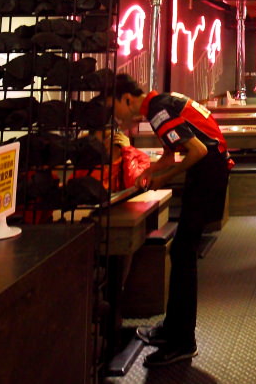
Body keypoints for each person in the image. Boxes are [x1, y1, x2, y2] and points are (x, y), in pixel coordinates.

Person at [108, 75, 231, 368]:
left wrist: (164, 179)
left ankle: (183, 341)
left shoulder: (157, 111)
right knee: (180, 253)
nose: (117, 117)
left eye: (115, 108)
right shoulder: (162, 103)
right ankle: (173, 328)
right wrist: (150, 171)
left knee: (183, 254)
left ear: (127, 99)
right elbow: (170, 154)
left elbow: (198, 150)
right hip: (210, 173)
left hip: (208, 176)